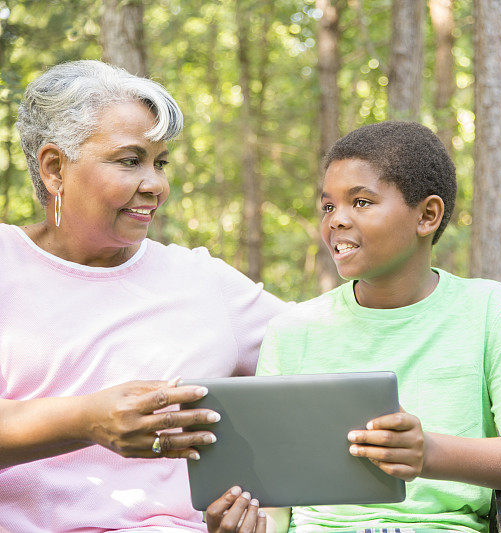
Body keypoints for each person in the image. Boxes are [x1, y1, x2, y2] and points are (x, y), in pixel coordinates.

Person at [211, 121, 501, 532]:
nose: (336, 221)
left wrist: (428, 452)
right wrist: (248, 527)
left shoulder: (491, 310)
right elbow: (274, 496)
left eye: (360, 202)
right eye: (328, 206)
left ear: (427, 215)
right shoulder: (292, 330)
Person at [0, 60, 288, 532]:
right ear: (55, 168)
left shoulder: (203, 280)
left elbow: (328, 350)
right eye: (130, 161)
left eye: (160, 163)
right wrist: (85, 420)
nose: (156, 185)